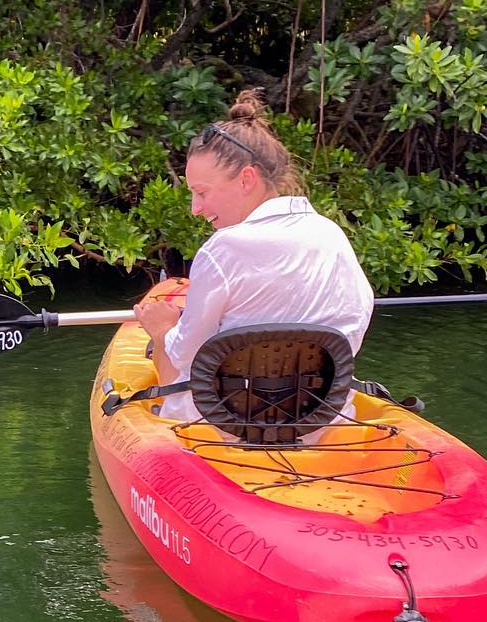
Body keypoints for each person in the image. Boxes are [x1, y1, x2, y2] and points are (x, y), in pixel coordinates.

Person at [132, 89, 374, 422]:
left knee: (171, 350)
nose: (196, 209)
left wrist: (163, 329)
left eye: (201, 193)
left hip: (224, 425)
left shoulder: (222, 249)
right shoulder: (330, 233)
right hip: (320, 418)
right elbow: (357, 318)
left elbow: (183, 351)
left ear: (247, 178)